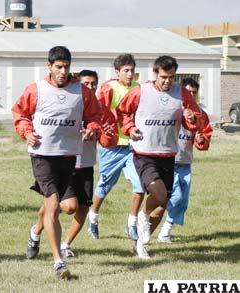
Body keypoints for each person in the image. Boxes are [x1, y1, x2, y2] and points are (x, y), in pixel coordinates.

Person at [12, 46, 117, 279]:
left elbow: (95, 116)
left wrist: (92, 129)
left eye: (66, 67)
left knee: (68, 206)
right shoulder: (35, 89)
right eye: (58, 67)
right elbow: (20, 114)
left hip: (69, 156)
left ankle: (34, 231)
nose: (62, 71)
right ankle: (58, 261)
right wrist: (26, 131)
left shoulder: (82, 91)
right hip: (41, 154)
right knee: (52, 203)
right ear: (48, 66)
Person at [117, 55, 206, 259]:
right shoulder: (140, 91)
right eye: (164, 77)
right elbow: (122, 113)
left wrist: (191, 118)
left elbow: (198, 121)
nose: (168, 81)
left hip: (168, 154)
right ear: (155, 73)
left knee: (162, 204)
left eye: (172, 77)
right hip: (143, 152)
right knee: (159, 195)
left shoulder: (182, 93)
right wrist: (130, 129)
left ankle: (141, 243)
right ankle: (142, 215)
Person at [86, 54, 145, 241]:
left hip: (133, 146)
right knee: (104, 186)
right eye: (126, 70)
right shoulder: (108, 88)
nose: (129, 74)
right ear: (117, 71)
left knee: (140, 185)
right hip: (111, 146)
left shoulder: (139, 89)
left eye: (132, 70)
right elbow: (99, 111)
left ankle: (132, 224)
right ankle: (93, 218)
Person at [156, 78, 213, 243]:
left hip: (185, 163)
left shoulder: (200, 115)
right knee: (174, 197)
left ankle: (165, 231)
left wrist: (201, 140)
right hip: (169, 162)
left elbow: (203, 138)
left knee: (182, 202)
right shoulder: (172, 109)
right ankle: (143, 221)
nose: (191, 95)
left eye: (194, 93)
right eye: (188, 92)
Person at [60, 70, 100, 258]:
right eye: (86, 84)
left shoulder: (99, 109)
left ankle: (65, 244)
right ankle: (36, 231)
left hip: (86, 164)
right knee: (66, 207)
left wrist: (97, 131)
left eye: (94, 84)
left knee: (83, 207)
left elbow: (110, 137)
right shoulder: (69, 103)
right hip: (64, 162)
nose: (90, 87)